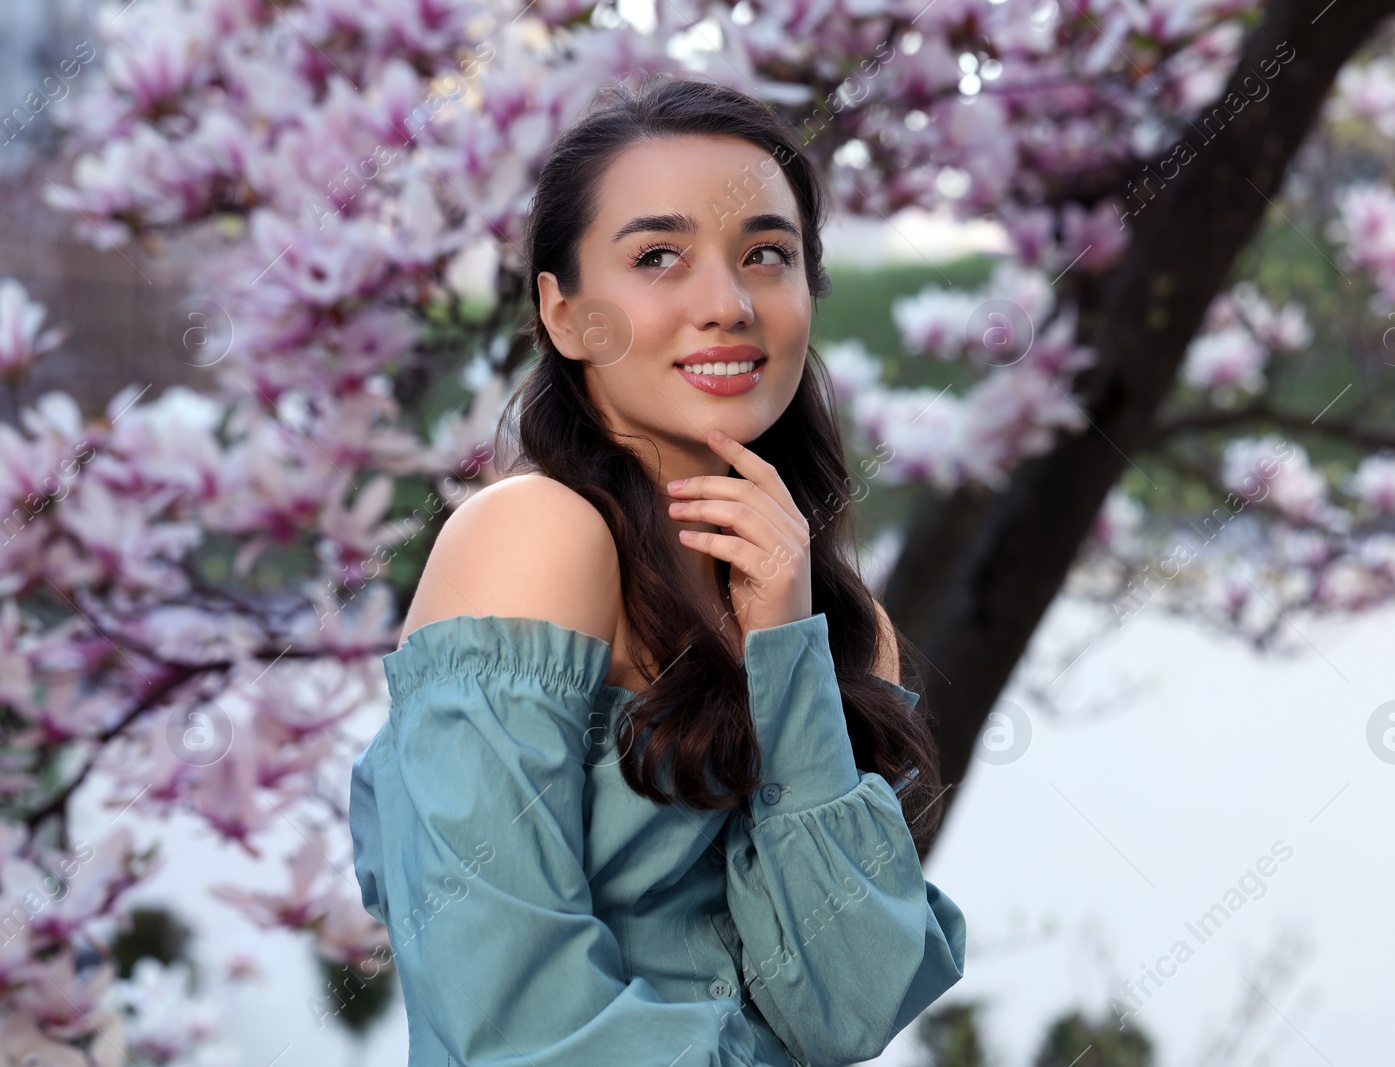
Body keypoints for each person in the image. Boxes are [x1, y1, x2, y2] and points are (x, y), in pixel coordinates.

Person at [348, 70, 966, 1066]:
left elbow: (848, 1010)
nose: (725, 302)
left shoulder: (840, 623)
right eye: (658, 256)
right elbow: (505, 1019)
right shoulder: (537, 536)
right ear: (564, 313)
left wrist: (784, 648)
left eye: (766, 253)